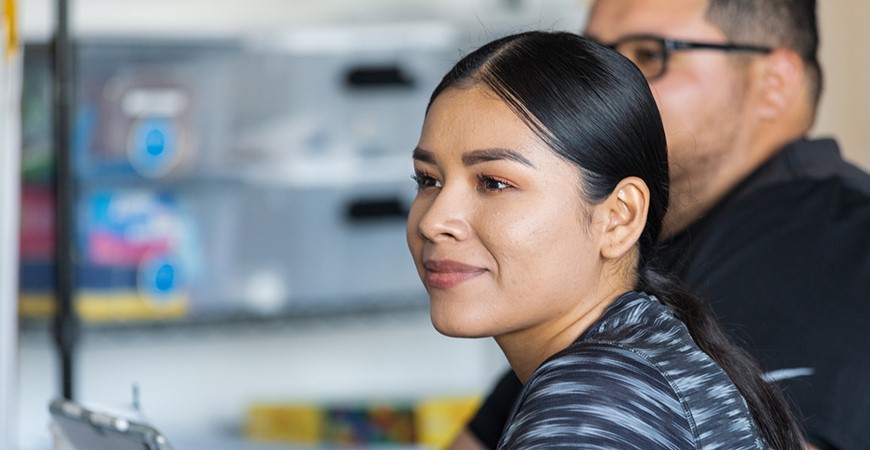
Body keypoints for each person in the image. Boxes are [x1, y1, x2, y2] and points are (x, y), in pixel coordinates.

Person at [452, 1, 870, 450]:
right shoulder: (614, 260)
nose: (602, 85)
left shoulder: (840, 247)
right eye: (592, 56)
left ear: (773, 84)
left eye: (650, 54)